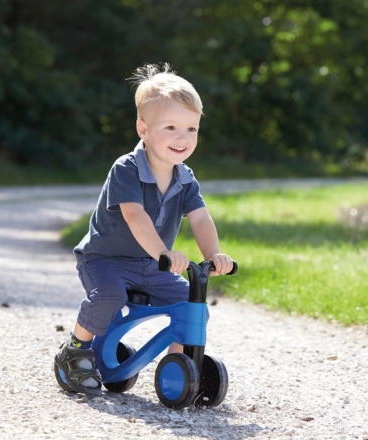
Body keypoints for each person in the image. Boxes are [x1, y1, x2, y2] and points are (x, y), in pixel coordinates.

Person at [54, 63, 234, 397]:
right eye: (171, 127)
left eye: (191, 129)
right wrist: (163, 252)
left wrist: (213, 255)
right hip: (106, 260)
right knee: (109, 296)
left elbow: (200, 219)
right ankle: (75, 349)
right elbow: (135, 216)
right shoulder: (127, 169)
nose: (183, 138)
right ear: (143, 129)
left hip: (152, 265)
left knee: (190, 302)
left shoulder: (185, 177)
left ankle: (181, 368)